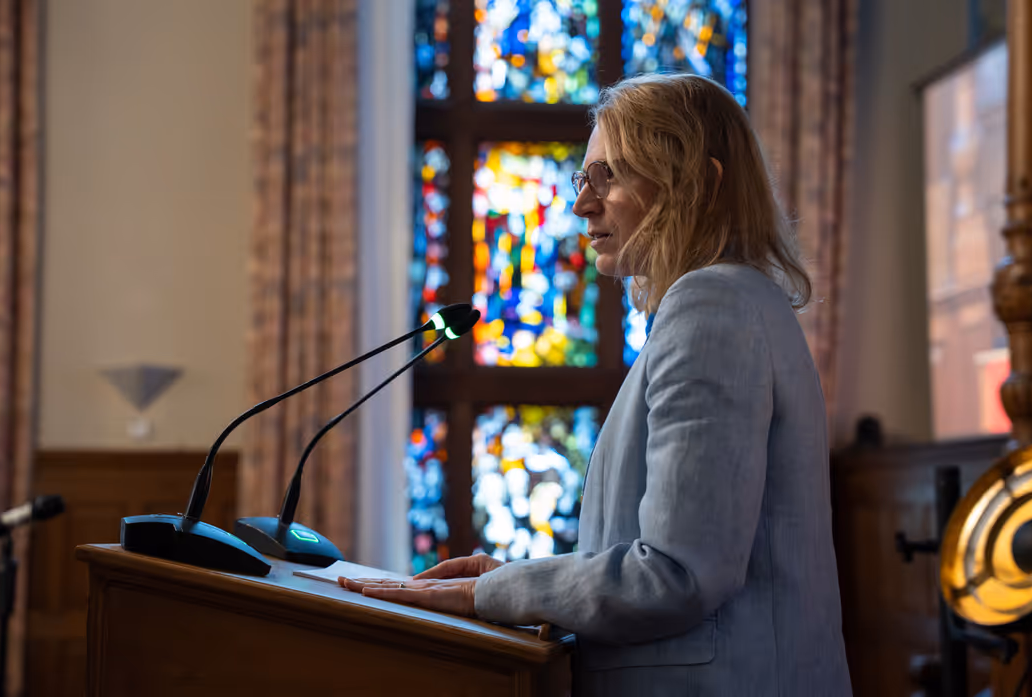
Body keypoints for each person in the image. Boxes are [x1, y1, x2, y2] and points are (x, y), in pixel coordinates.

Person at [342, 73, 852, 696]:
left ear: (699, 182)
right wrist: (515, 579)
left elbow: (678, 573)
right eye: (584, 179)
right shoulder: (739, 302)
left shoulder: (710, 305)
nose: (583, 204)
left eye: (611, 176)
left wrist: (490, 592)